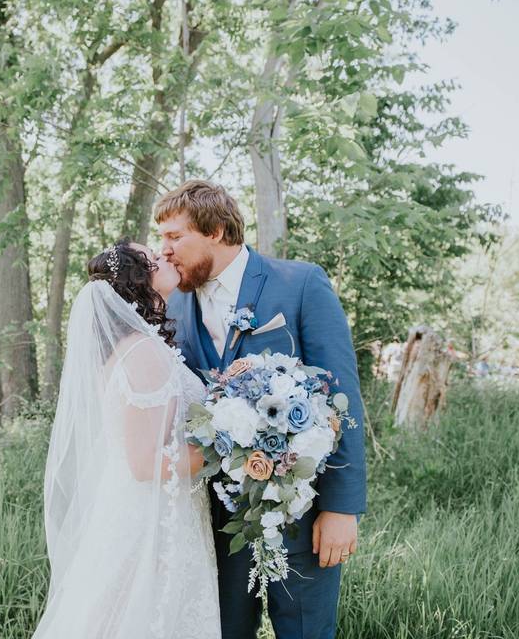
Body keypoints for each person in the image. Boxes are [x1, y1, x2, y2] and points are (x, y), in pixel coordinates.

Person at [157, 179, 367, 639]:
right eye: (162, 239)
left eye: (175, 237)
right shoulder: (173, 303)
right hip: (215, 522)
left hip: (302, 513)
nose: (165, 250)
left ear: (214, 230)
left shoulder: (300, 284)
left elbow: (342, 397)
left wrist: (341, 509)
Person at [32, 240, 223, 639]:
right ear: (140, 281)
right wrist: (229, 447)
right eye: (154, 257)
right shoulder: (142, 354)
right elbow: (143, 462)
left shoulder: (142, 348)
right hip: (151, 517)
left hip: (161, 507)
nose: (165, 254)